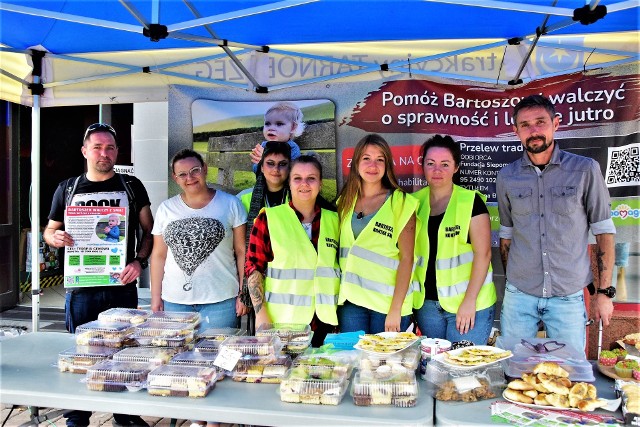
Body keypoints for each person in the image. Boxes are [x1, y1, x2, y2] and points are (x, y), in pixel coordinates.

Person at [44, 122, 154, 427]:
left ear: (117, 152)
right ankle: (76, 417)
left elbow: (149, 232)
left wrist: (138, 263)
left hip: (121, 286)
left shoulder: (131, 186)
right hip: (82, 289)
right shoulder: (68, 188)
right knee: (81, 352)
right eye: (97, 147)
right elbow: (50, 231)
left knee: (125, 352)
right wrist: (55, 239)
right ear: (85, 151)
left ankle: (125, 414)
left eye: (109, 147)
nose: (103, 153)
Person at [497, 94, 616, 353]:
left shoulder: (585, 170)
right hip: (520, 294)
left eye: (540, 122)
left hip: (568, 294)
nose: (534, 131)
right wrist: (513, 281)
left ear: (556, 124)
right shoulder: (507, 176)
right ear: (516, 131)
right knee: (513, 369)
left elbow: (604, 232)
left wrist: (604, 293)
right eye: (525, 125)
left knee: (570, 374)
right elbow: (506, 236)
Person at [150, 149, 249, 333]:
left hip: (221, 301)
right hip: (175, 302)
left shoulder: (231, 204)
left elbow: (242, 251)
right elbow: (158, 255)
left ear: (204, 169)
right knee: (177, 357)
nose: (190, 177)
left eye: (195, 170)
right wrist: (156, 297)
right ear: (175, 178)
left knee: (218, 356)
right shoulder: (166, 209)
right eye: (182, 174)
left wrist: (244, 293)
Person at [245, 155, 339, 347]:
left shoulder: (335, 220)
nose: (304, 184)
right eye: (297, 178)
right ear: (289, 182)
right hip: (283, 323)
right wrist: (261, 314)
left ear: (320, 184)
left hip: (325, 323)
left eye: (311, 178)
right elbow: (253, 268)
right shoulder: (269, 218)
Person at [412, 135, 497, 344]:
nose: (437, 170)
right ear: (422, 165)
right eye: (430, 163)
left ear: (456, 167)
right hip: (427, 306)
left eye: (445, 164)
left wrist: (469, 301)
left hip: (469, 304)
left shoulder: (471, 201)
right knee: (435, 370)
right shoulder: (413, 203)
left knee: (463, 369)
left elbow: (483, 253)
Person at [336, 134, 418, 334]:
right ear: (356, 163)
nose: (373, 165)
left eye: (379, 159)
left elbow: (407, 259)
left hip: (387, 304)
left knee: (384, 363)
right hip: (352, 302)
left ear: (387, 165)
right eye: (366, 158)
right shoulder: (344, 202)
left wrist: (396, 309)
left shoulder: (401, 202)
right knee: (353, 361)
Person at [249, 101, 303, 171]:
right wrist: (259, 164)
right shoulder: (264, 145)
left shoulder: (292, 148)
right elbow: (255, 169)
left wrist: (266, 159)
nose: (271, 128)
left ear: (293, 127)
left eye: (279, 124)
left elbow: (292, 172)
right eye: (267, 123)